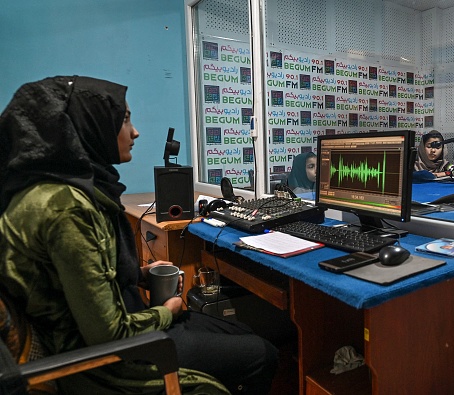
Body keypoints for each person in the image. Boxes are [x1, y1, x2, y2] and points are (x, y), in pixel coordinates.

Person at [0, 76, 278, 395]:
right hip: (108, 359)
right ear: (92, 127)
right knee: (261, 354)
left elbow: (80, 277)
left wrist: (139, 274)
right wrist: (168, 310)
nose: (135, 132)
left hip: (118, 326)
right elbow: (108, 333)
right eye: (125, 119)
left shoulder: (67, 190)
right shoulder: (67, 209)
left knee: (240, 330)